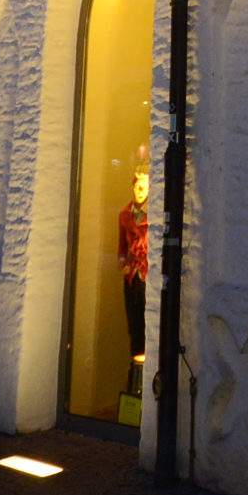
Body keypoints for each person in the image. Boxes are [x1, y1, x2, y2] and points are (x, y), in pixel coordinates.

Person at [117, 155, 149, 395]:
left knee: (149, 321)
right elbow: (121, 246)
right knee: (133, 323)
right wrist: (123, 263)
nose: (140, 190)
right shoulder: (125, 215)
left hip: (147, 276)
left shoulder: (153, 216)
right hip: (132, 277)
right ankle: (135, 373)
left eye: (144, 187)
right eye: (137, 186)